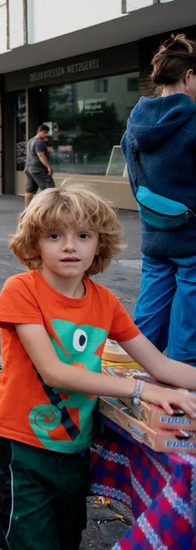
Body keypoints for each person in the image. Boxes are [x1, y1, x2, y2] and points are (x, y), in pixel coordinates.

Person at [0, 184, 196, 550]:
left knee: (68, 538)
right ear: (35, 243)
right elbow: (53, 371)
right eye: (55, 235)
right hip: (22, 442)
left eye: (83, 235)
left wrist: (163, 382)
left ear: (99, 243)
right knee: (28, 541)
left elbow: (159, 363)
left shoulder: (104, 301)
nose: (70, 246)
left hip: (75, 444)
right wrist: (142, 389)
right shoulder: (21, 290)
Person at [121, 33, 196, 362]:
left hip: (154, 234)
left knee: (148, 320)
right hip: (192, 237)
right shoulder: (192, 121)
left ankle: (131, 384)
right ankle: (183, 393)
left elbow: (134, 180)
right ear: (188, 76)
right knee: (188, 324)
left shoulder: (134, 123)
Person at [24, 125, 54, 207]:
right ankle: (48, 210)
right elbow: (41, 155)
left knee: (29, 190)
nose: (46, 135)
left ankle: (28, 210)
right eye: (45, 133)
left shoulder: (31, 141)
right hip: (38, 168)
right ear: (40, 131)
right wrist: (49, 167)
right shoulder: (39, 142)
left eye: (47, 133)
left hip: (29, 167)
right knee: (49, 190)